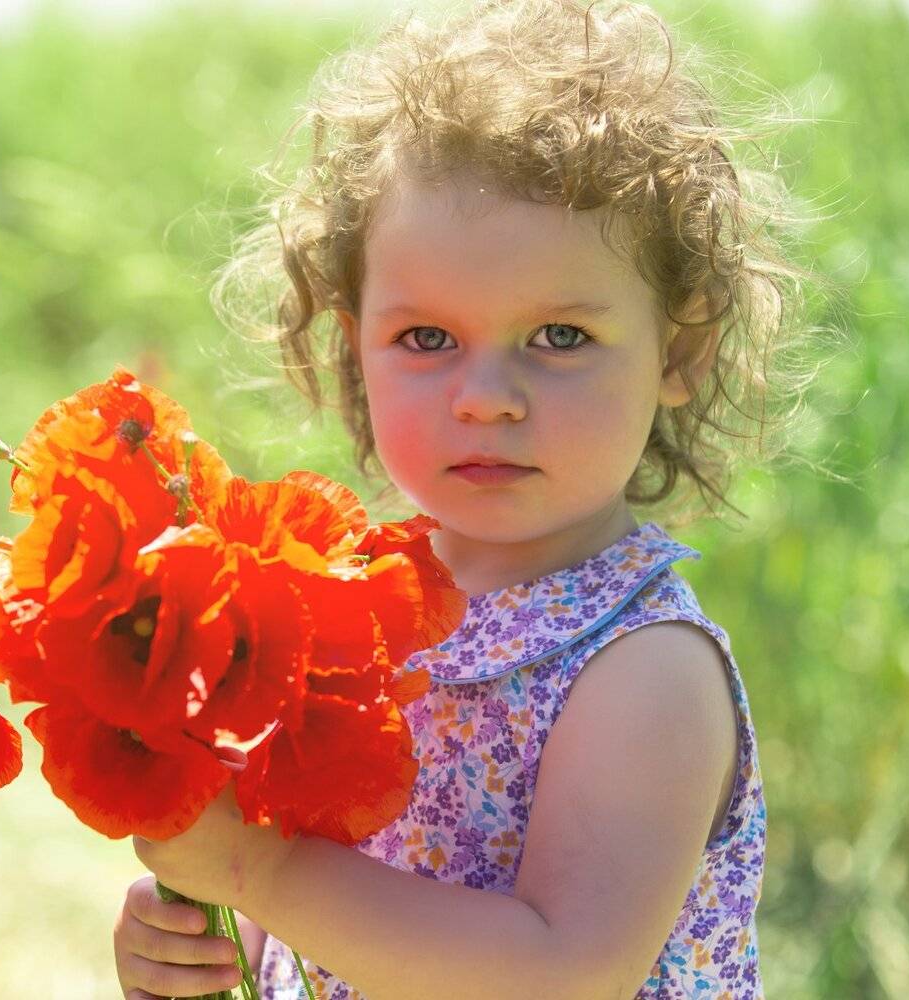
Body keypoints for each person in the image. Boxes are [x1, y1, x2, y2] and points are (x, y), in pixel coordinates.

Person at [115, 0, 829, 996]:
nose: (487, 397)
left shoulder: (645, 668)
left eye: (560, 337)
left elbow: (563, 970)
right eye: (427, 339)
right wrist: (205, 936)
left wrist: (258, 874)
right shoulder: (348, 613)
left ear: (679, 351)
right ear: (356, 346)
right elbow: (322, 903)